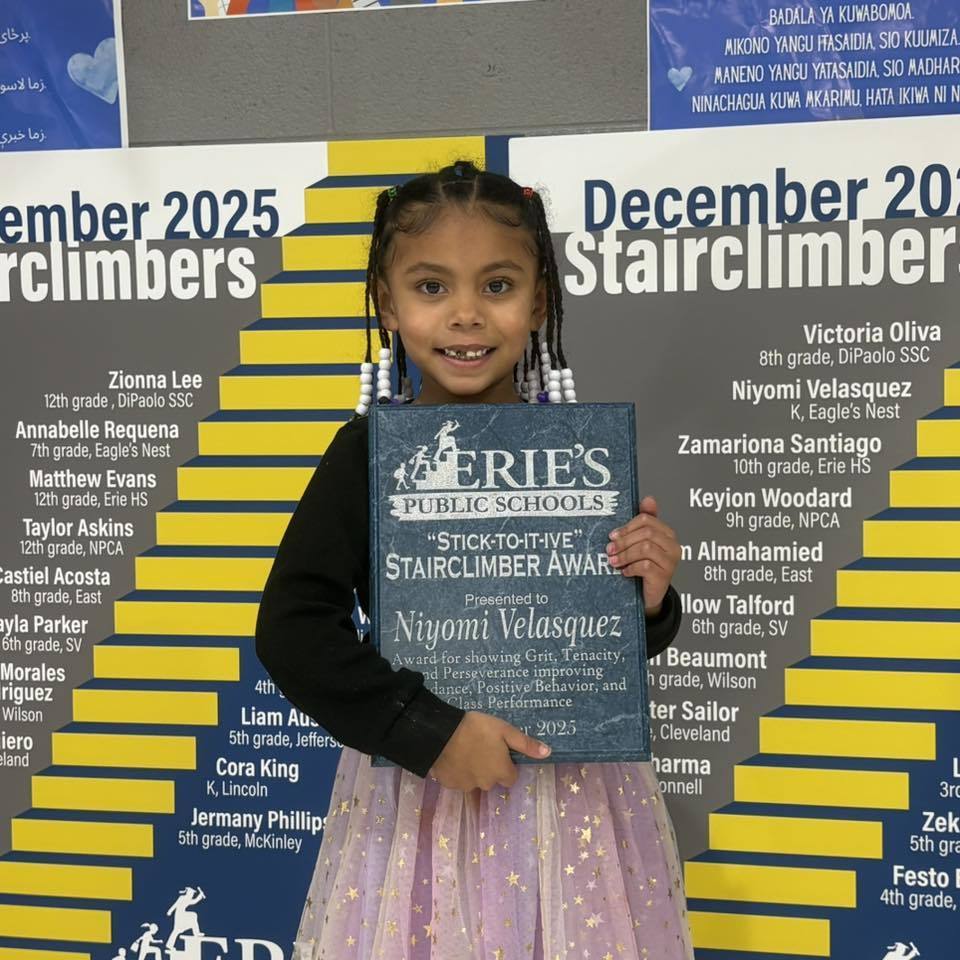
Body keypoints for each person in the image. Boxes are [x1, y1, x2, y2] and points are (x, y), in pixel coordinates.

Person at [255, 161, 692, 960]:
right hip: (423, 797)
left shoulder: (579, 456)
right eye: (431, 289)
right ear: (387, 303)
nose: (465, 315)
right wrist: (425, 730)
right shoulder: (366, 457)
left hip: (571, 798)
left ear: (540, 302)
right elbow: (292, 629)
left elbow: (603, 635)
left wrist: (651, 597)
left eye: (497, 286)